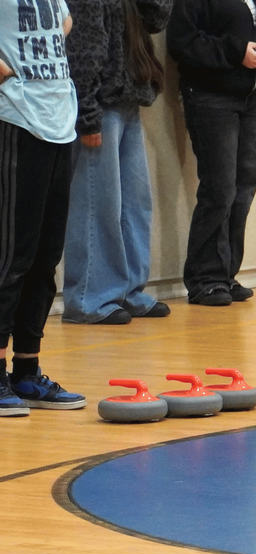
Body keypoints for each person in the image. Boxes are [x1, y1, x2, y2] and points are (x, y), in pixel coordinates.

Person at [166, 0, 256, 306]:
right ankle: (205, 279)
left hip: (251, 100)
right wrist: (235, 53)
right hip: (210, 98)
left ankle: (225, 273)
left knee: (244, 187)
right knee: (219, 189)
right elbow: (182, 43)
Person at [0, 0, 87, 417]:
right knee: (10, 257)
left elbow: (64, 22)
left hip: (59, 121)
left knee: (45, 257)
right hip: (17, 118)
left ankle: (27, 370)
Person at [61, 0, 173, 325]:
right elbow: (83, 47)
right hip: (100, 103)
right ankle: (89, 298)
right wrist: (88, 115)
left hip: (128, 96)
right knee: (98, 204)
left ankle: (130, 290)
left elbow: (157, 18)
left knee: (137, 204)